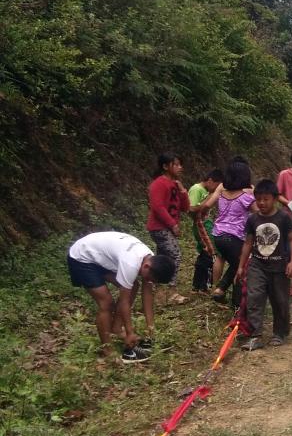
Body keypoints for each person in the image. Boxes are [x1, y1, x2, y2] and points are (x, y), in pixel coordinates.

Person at [67, 231, 175, 361]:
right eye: (149, 278)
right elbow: (124, 301)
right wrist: (130, 332)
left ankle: (116, 328)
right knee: (106, 303)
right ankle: (107, 349)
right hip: (81, 257)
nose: (147, 280)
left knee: (133, 285)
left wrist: (150, 327)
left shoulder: (151, 259)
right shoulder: (130, 263)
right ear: (146, 266)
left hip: (100, 257)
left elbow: (147, 295)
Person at [236, 180, 292, 350]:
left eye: (266, 199)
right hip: (257, 265)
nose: (262, 203)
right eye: (259, 199)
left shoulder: (284, 218)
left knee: (280, 300)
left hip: (279, 267)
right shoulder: (252, 219)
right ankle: (255, 335)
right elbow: (248, 243)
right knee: (254, 298)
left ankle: (280, 332)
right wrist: (241, 266)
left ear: (276, 199)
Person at [202, 160, 255, 308]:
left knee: (232, 263)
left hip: (218, 236)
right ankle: (237, 304)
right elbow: (260, 212)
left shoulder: (222, 194)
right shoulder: (246, 197)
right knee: (241, 266)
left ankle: (219, 289)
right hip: (235, 237)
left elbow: (207, 205)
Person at [146, 152, 190, 303]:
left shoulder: (175, 184)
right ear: (165, 166)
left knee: (162, 259)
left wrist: (183, 191)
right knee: (175, 255)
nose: (180, 167)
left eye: (180, 164)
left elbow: (185, 208)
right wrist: (173, 224)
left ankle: (157, 293)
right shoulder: (158, 184)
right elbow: (158, 207)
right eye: (175, 164)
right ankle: (171, 291)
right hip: (159, 227)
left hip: (167, 228)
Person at [187, 168, 223, 294]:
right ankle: (202, 285)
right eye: (216, 185)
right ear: (210, 180)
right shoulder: (197, 189)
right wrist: (208, 199)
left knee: (206, 252)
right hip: (200, 224)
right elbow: (191, 209)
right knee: (209, 252)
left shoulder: (205, 191)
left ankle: (199, 285)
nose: (216, 189)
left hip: (206, 225)